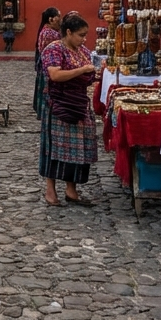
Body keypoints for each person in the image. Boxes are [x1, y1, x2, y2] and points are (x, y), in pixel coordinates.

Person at [38, 13, 97, 206]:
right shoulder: (54, 50)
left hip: (78, 104)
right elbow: (55, 75)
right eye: (81, 35)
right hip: (59, 105)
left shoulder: (83, 52)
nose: (84, 39)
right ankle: (50, 191)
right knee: (54, 148)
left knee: (78, 150)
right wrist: (82, 71)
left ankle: (72, 190)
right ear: (68, 32)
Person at [32, 8, 62, 119]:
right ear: (51, 19)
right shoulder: (51, 34)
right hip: (49, 69)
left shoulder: (45, 30)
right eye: (58, 17)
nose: (60, 20)